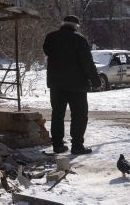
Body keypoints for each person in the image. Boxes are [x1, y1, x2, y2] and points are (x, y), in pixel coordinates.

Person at [42, 14, 98, 154]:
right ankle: (77, 146)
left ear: (63, 23)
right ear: (76, 26)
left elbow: (47, 51)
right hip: (77, 86)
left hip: (56, 85)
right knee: (79, 115)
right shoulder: (79, 40)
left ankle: (58, 145)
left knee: (57, 114)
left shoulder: (50, 37)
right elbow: (87, 62)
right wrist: (95, 80)